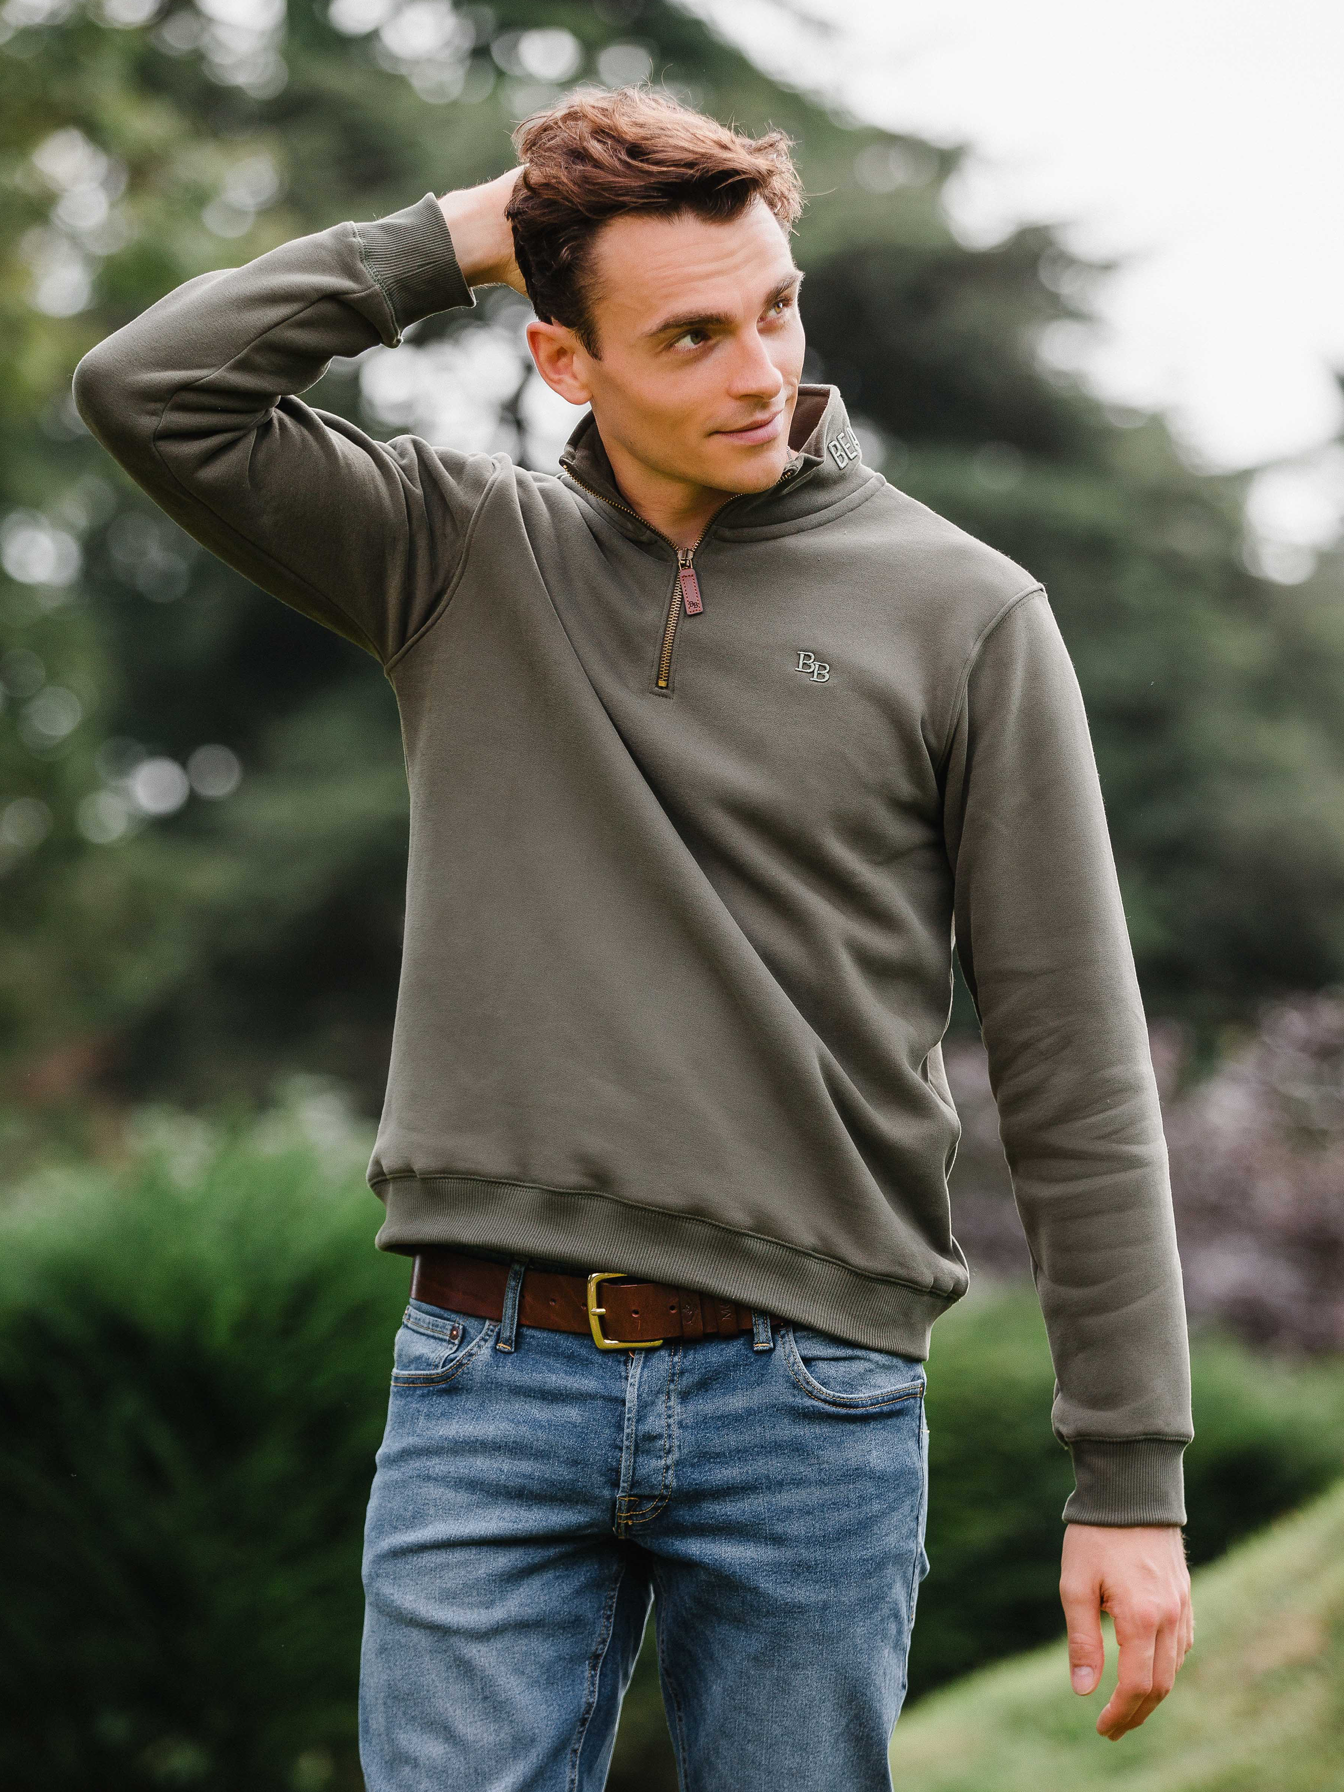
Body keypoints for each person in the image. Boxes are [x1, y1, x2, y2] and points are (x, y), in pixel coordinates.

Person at [73, 83, 1194, 1792]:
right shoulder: (453, 556)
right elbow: (149, 390)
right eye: (690, 335)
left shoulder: (966, 613)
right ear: (564, 359)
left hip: (815, 1399)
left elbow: (1076, 1067)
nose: (761, 372)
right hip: (486, 1377)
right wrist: (462, 232)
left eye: (777, 310)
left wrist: (1131, 1477)